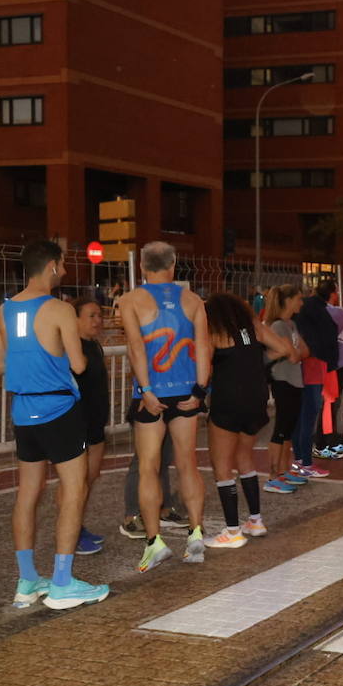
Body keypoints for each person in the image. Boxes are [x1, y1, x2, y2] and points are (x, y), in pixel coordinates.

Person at [0, 240, 108, 610]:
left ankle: (27, 581)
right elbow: (78, 364)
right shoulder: (58, 309)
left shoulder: (4, 310)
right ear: (53, 266)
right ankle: (61, 582)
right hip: (58, 407)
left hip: (23, 411)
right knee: (74, 489)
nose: (66, 271)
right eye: (64, 265)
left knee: (28, 494)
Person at [118, 241, 211, 571]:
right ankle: (195, 535)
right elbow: (203, 349)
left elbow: (136, 349)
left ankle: (154, 543)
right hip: (186, 391)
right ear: (173, 265)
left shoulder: (130, 301)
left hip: (151, 394)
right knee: (188, 463)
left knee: (149, 467)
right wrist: (200, 391)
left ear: (142, 266)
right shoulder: (193, 301)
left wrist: (145, 390)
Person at [204, 293, 294, 547]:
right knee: (245, 456)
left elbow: (205, 365)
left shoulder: (215, 330)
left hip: (228, 400)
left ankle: (232, 531)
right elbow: (284, 349)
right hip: (255, 399)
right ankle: (255, 520)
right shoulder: (253, 327)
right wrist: (258, 361)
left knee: (221, 465)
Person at [71, 296, 109, 556]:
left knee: (89, 479)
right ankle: (71, 533)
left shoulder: (95, 346)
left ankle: (78, 527)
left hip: (97, 424)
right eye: (91, 316)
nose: (98, 320)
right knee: (75, 483)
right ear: (75, 320)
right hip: (77, 425)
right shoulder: (71, 349)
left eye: (99, 315)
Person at [263, 285, 310, 493]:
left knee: (288, 429)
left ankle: (284, 470)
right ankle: (273, 475)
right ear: (288, 300)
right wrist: (296, 351)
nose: (301, 303)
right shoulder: (278, 326)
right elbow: (293, 354)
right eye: (298, 299)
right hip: (283, 381)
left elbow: (305, 351)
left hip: (295, 380)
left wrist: (297, 351)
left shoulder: (291, 325)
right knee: (280, 429)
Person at [291, 281, 338, 478]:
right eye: (298, 299)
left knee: (303, 417)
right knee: (307, 417)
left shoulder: (306, 313)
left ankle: (300, 460)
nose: (301, 303)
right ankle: (305, 463)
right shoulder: (314, 311)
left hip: (310, 367)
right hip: (312, 368)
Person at [318, 283, 343, 457]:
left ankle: (329, 440)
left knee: (329, 403)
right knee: (330, 403)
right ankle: (324, 442)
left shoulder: (324, 311)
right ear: (333, 294)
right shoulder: (336, 313)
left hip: (331, 362)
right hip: (336, 364)